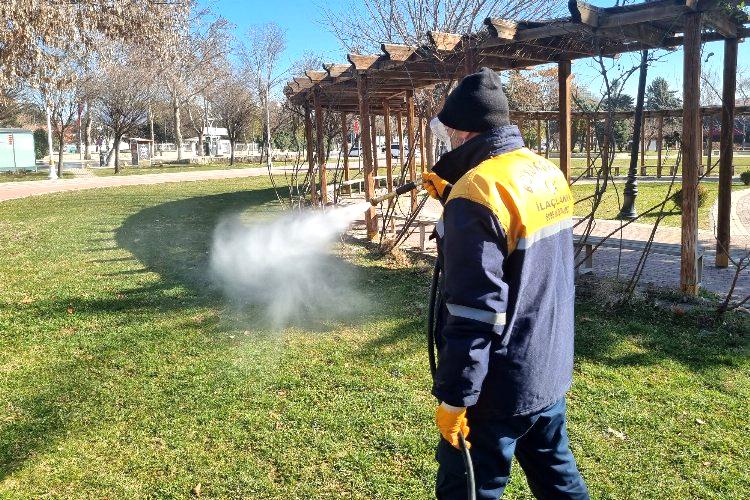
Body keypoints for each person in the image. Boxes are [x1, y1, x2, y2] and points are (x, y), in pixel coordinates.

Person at [422, 67, 589, 499]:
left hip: (496, 387)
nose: (444, 141)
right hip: (546, 368)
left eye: (446, 132)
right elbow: (525, 264)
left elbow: (475, 311)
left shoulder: (475, 193)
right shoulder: (544, 172)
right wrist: (454, 202)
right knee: (557, 478)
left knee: (470, 490)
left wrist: (457, 398)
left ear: (461, 132)